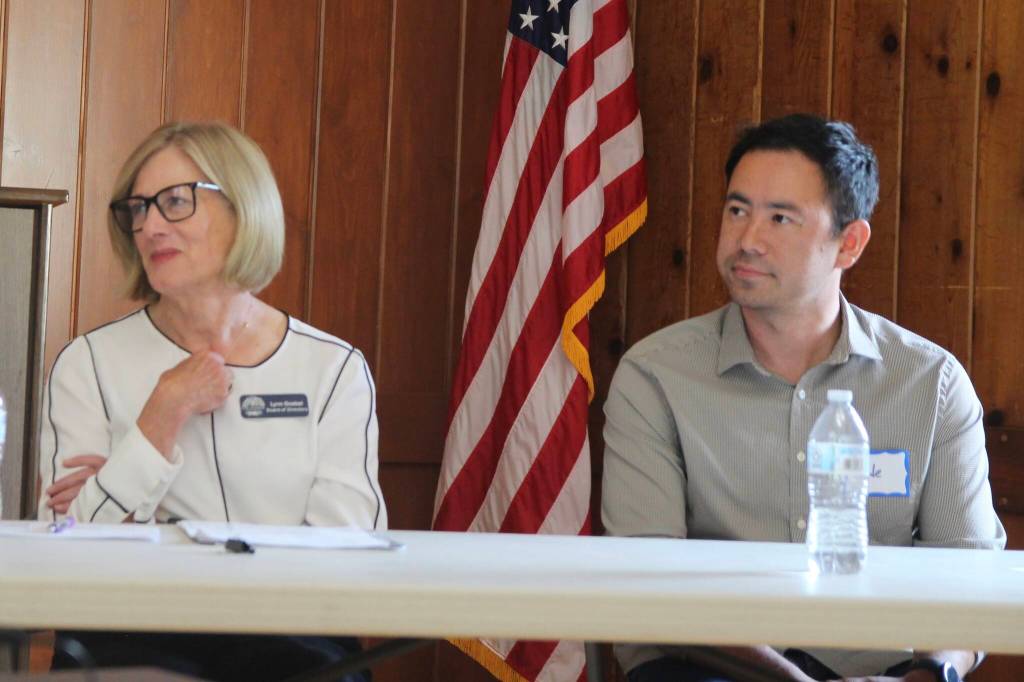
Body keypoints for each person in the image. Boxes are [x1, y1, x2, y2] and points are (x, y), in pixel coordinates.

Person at [601, 114, 1006, 682]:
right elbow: (646, 585)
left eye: (780, 218)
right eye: (736, 210)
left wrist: (931, 673)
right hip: (708, 668)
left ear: (849, 243)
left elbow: (971, 581)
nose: (746, 240)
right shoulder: (655, 376)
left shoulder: (930, 383)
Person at [38, 121, 385, 681]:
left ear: (243, 208)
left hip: (291, 641)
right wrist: (161, 414)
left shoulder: (333, 368)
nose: (149, 225)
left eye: (175, 202)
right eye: (138, 209)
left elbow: (345, 548)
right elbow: (65, 541)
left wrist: (137, 504)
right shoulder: (89, 362)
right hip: (130, 636)